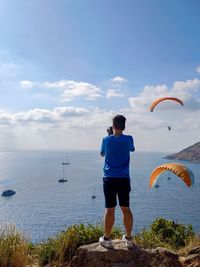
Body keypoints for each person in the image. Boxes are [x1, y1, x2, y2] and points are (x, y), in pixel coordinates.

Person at [99, 115, 135, 249]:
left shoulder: (106, 139)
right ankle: (129, 239)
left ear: (113, 126)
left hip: (109, 178)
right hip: (124, 179)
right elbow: (132, 149)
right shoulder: (129, 139)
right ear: (124, 127)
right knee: (126, 208)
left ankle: (107, 239)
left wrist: (110, 135)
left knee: (110, 209)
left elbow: (102, 154)